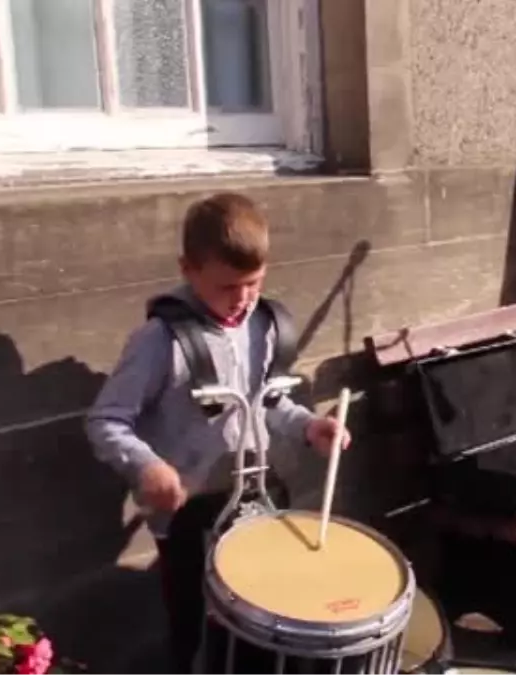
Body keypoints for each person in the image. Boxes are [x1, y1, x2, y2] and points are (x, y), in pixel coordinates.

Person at [85, 193, 351, 675]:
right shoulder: (159, 341)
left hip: (258, 500)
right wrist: (147, 466)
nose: (244, 298)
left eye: (255, 282)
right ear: (188, 269)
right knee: (196, 631)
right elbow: (106, 421)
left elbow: (270, 404)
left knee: (266, 622)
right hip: (190, 516)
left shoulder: (267, 326)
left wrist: (309, 426)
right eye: (229, 286)